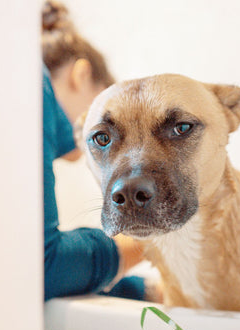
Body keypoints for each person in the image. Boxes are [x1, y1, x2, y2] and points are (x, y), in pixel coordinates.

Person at [41, 1, 146, 301]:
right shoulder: (32, 87)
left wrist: (143, 289)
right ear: (82, 74)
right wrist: (154, 237)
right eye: (106, 130)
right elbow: (44, 268)